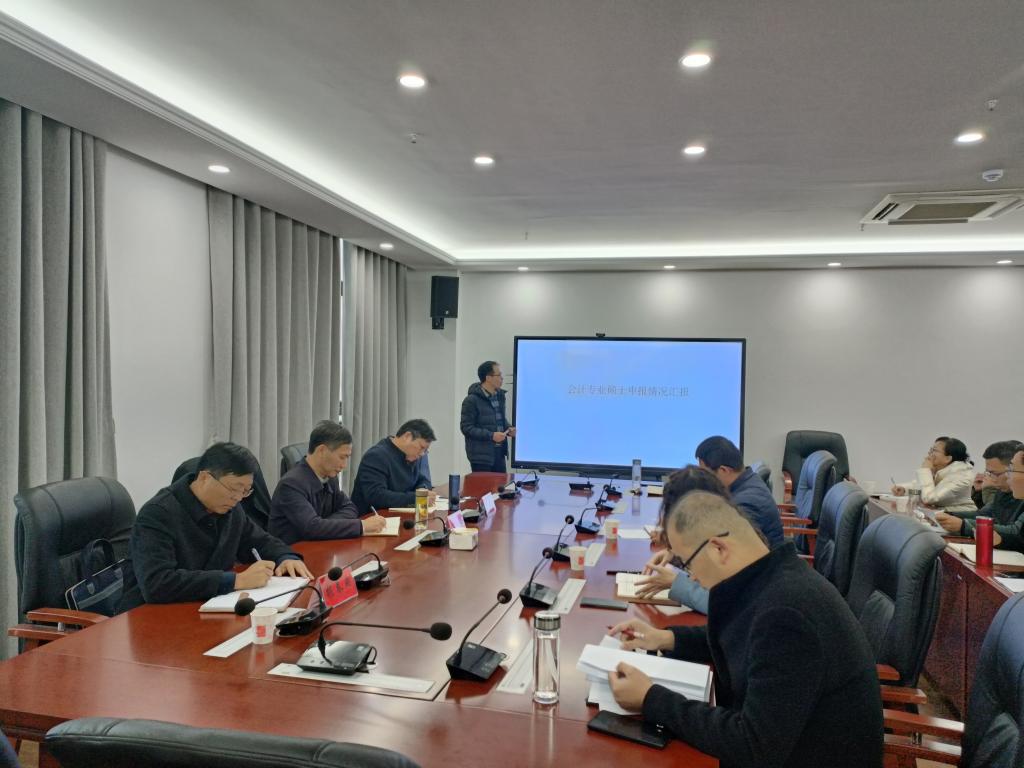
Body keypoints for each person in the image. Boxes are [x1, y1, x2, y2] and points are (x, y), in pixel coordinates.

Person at [607, 492, 882, 768]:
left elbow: (753, 746)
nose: (692, 576)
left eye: (687, 564)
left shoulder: (786, 614)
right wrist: (666, 638)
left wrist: (650, 698)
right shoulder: (772, 576)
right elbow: (741, 638)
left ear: (718, 548)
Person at [119, 442, 313, 612]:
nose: (238, 498)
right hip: (152, 616)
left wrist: (285, 557)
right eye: (234, 488)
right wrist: (235, 580)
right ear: (205, 478)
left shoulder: (230, 508)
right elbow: (157, 584)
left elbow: (259, 541)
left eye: (246, 491)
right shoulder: (158, 514)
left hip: (207, 607)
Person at [269, 421, 388, 544]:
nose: (344, 465)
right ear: (322, 450)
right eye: (342, 457)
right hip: (294, 552)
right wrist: (362, 526)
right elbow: (312, 528)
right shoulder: (291, 485)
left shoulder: (330, 476)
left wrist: (325, 525)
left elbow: (350, 507)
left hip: (321, 545)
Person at [634, 465, 731, 612]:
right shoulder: (718, 525)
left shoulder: (726, 542)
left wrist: (676, 583)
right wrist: (675, 556)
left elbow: (725, 607)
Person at [695, 436, 783, 547]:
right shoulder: (748, 480)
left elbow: (722, 546)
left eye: (705, 474)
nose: (704, 479)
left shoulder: (746, 503)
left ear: (723, 470)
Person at [935, 440, 1024, 544]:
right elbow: (985, 514)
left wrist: (964, 525)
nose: (1009, 476)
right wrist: (950, 515)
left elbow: (1016, 533)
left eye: (994, 473)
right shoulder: (1002, 492)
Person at [351, 418, 436, 513]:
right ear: (407, 436)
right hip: (373, 517)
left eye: (425, 450)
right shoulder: (376, 456)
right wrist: (416, 498)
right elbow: (377, 496)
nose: (422, 454)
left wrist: (422, 490)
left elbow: (423, 480)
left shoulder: (413, 456)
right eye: (421, 447)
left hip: (403, 515)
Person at [892, 436, 976, 513]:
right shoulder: (943, 471)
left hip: (959, 517)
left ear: (948, 458)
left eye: (934, 450)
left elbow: (929, 498)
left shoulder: (961, 477)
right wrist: (904, 489)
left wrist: (925, 471)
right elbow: (925, 486)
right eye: (931, 450)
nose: (929, 453)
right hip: (941, 515)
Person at [460, 360, 516, 472]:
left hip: (499, 453)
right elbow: (466, 428)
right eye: (499, 375)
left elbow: (499, 419)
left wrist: (509, 428)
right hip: (481, 457)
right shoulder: (471, 400)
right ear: (488, 378)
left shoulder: (500, 396)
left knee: (501, 483)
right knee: (484, 484)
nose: (502, 378)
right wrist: (491, 435)